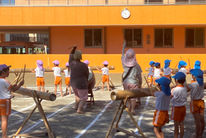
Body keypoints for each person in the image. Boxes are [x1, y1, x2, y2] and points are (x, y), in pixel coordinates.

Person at [0, 64, 24, 138]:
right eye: (7, 71)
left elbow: (8, 88)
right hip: (5, 101)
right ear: (3, 72)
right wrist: (20, 84)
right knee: (4, 119)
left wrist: (14, 86)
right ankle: (4, 136)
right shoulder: (5, 81)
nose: (8, 72)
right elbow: (13, 89)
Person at [121, 41, 142, 114]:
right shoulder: (137, 66)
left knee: (128, 95)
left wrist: (123, 47)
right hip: (134, 83)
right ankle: (132, 109)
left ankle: (129, 106)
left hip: (125, 82)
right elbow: (139, 76)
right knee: (133, 97)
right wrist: (140, 83)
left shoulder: (124, 63)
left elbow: (122, 55)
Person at [69, 47, 89, 114]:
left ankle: (76, 106)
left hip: (73, 83)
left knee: (77, 95)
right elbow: (87, 74)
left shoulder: (71, 64)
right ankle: (79, 109)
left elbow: (70, 55)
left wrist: (73, 49)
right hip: (82, 84)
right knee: (83, 98)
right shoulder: (84, 65)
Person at [188, 69, 205, 138]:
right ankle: (200, 134)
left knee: (197, 121)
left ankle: (197, 135)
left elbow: (186, 88)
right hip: (201, 102)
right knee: (202, 119)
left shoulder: (193, 84)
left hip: (194, 102)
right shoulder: (202, 84)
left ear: (195, 76)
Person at [171, 72, 187, 138]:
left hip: (176, 108)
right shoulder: (185, 89)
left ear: (176, 80)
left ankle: (176, 136)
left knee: (176, 125)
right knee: (182, 124)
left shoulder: (174, 90)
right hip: (183, 108)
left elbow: (170, 96)